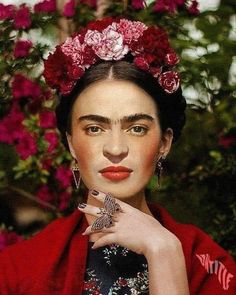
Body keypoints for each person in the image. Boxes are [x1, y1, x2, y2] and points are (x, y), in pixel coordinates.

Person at [0, 17, 235, 295]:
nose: (115, 148)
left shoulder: (210, 267)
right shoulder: (17, 271)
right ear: (72, 143)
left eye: (136, 128)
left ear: (164, 142)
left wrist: (164, 251)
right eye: (94, 128)